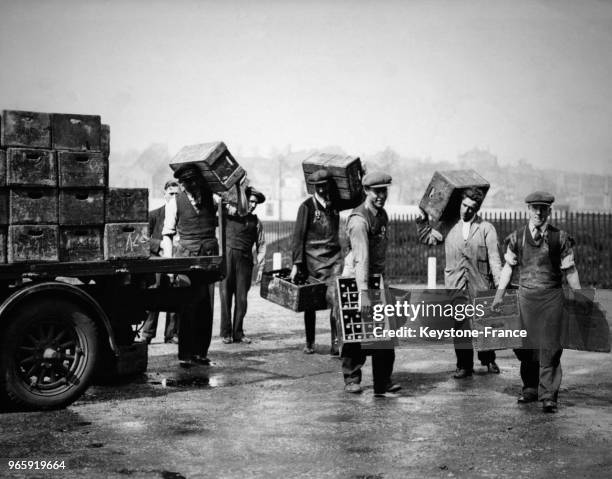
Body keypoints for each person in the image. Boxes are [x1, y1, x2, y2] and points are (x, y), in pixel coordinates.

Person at [492, 191, 582, 413]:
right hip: (526, 300)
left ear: (549, 211)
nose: (539, 212)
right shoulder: (517, 237)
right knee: (524, 346)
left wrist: (580, 297)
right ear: (528, 210)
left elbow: (570, 270)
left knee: (550, 348)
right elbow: (508, 268)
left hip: (552, 299)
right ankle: (530, 387)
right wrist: (499, 296)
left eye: (543, 208)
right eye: (535, 208)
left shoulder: (560, 238)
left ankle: (548, 394)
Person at [416, 187, 503, 378]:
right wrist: (423, 219)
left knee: (484, 324)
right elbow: (428, 239)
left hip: (480, 284)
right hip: (456, 283)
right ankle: (464, 365)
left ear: (477, 209)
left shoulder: (487, 229)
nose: (466, 210)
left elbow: (495, 259)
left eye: (471, 207)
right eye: (464, 205)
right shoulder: (447, 225)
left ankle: (488, 360)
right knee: (461, 324)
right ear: (460, 204)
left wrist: (499, 286)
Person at [342, 171, 401, 397]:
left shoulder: (382, 215)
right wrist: (363, 293)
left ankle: (383, 380)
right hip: (357, 279)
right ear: (366, 191)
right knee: (354, 331)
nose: (381, 196)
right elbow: (361, 259)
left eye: (384, 191)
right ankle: (352, 378)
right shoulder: (359, 220)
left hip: (375, 278)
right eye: (377, 191)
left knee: (384, 332)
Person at [161, 164, 218, 367]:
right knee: (188, 306)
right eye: (188, 182)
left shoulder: (213, 198)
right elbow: (167, 234)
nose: (192, 185)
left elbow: (237, 206)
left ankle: (201, 353)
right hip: (186, 260)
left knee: (206, 307)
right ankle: (186, 354)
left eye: (195, 180)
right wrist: (169, 266)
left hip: (208, 260)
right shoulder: (175, 202)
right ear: (182, 185)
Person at [290, 169, 343, 355]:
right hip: (312, 261)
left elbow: (356, 197)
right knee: (310, 303)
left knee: (336, 300)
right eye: (318, 186)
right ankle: (310, 342)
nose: (321, 189)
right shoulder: (306, 207)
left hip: (334, 260)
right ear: (313, 187)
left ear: (329, 185)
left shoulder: (334, 204)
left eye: (324, 185)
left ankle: (336, 343)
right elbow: (298, 237)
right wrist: (297, 264)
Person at [220, 186, 266, 344]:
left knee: (242, 299)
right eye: (251, 201)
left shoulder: (256, 222)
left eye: (256, 203)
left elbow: (261, 245)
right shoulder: (229, 214)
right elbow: (217, 206)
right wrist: (227, 205)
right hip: (227, 258)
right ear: (244, 200)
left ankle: (238, 332)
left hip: (245, 262)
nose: (253, 205)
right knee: (226, 295)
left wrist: (260, 266)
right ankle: (226, 333)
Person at [140, 180, 180, 345]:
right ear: (164, 193)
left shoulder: (183, 217)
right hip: (157, 263)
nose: (174, 197)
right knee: (154, 297)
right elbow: (142, 239)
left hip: (177, 262)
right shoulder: (154, 215)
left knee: (175, 297)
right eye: (171, 193)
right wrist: (160, 245)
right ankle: (147, 334)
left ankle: (171, 335)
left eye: (178, 194)